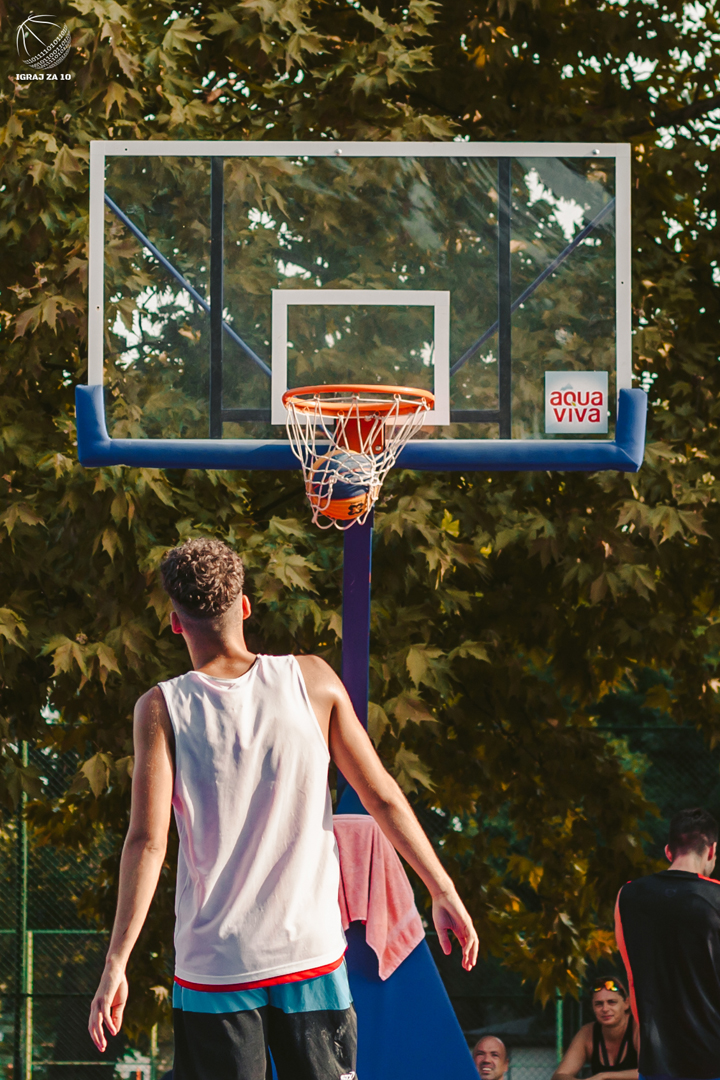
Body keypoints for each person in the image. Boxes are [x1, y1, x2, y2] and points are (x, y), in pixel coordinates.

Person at [88, 538, 479, 1080]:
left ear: (176, 623)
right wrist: (442, 888)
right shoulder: (313, 679)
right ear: (245, 607)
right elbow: (382, 796)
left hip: (215, 965)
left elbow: (148, 842)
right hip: (309, 955)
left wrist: (117, 962)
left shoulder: (161, 708)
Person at [615, 807, 720, 1080]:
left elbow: (631, 973)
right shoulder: (716, 897)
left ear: (668, 851)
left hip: (657, 1060)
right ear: (712, 851)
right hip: (713, 1059)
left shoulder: (627, 895)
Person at [552, 977, 639, 1080]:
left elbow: (650, 1074)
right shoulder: (587, 1033)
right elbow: (559, 1075)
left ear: (626, 1004)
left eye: (612, 1002)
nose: (605, 1009)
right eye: (599, 1004)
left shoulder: (639, 1030)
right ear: (592, 1007)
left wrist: (604, 1076)